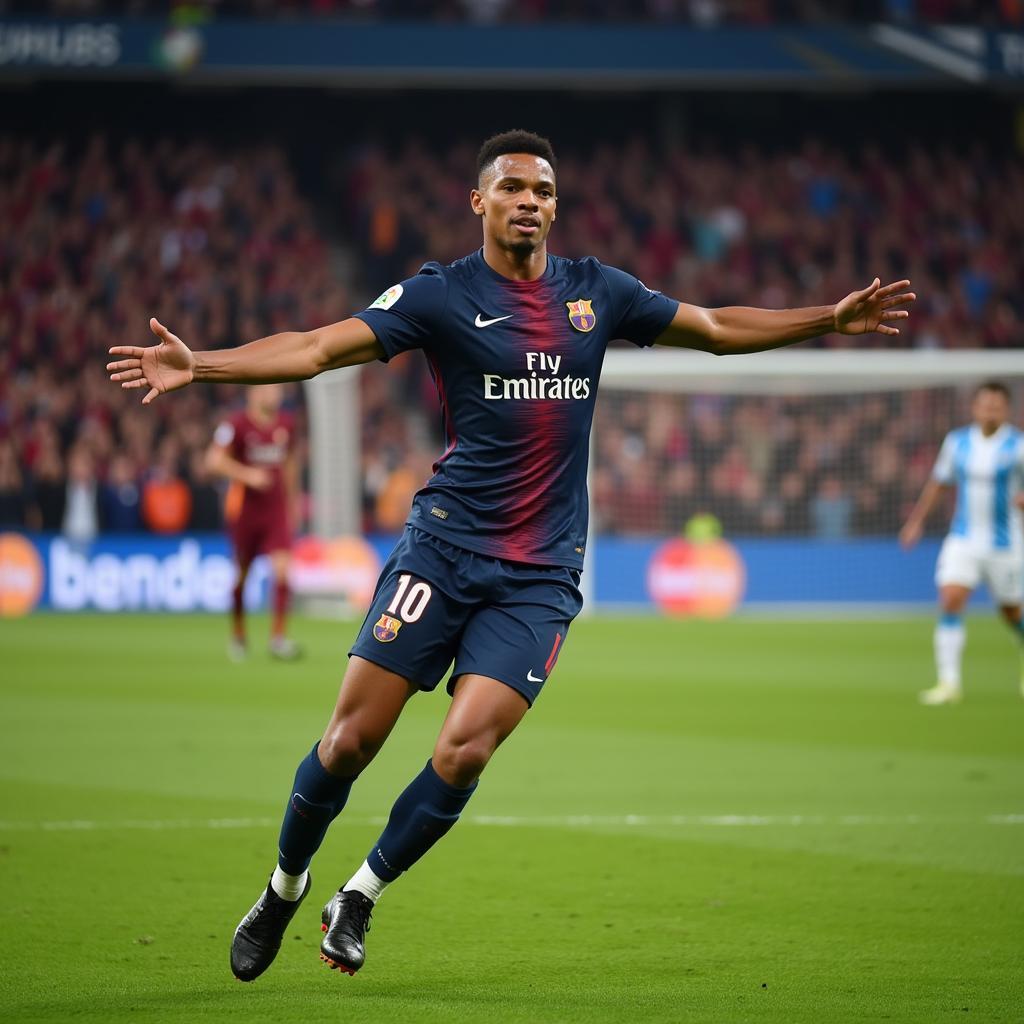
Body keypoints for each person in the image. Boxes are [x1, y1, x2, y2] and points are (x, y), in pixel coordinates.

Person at [106, 129, 914, 982]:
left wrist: (828, 318)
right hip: (442, 551)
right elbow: (315, 349)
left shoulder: (597, 292)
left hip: (539, 574)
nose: (531, 201)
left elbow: (712, 327)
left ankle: (361, 894)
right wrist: (205, 367)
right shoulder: (440, 295)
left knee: (464, 752)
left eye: (545, 191)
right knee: (348, 743)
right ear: (479, 202)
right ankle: (283, 887)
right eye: (515, 187)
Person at [900, 381, 1024, 705]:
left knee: (1012, 613)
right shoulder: (957, 443)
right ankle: (949, 683)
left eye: (997, 406)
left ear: (1006, 410)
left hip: (1006, 543)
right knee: (951, 598)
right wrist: (916, 522)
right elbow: (938, 484)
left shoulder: (1019, 446)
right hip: (963, 538)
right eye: (985, 405)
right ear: (975, 408)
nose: (990, 411)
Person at [206, 384, 301, 661]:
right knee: (241, 577)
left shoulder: (287, 424)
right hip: (245, 511)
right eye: (271, 390)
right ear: (254, 394)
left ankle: (278, 639)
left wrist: (292, 504)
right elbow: (212, 460)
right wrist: (248, 475)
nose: (277, 395)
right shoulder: (235, 425)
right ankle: (238, 635)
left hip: (276, 510)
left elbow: (291, 464)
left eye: (279, 390)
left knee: (283, 572)